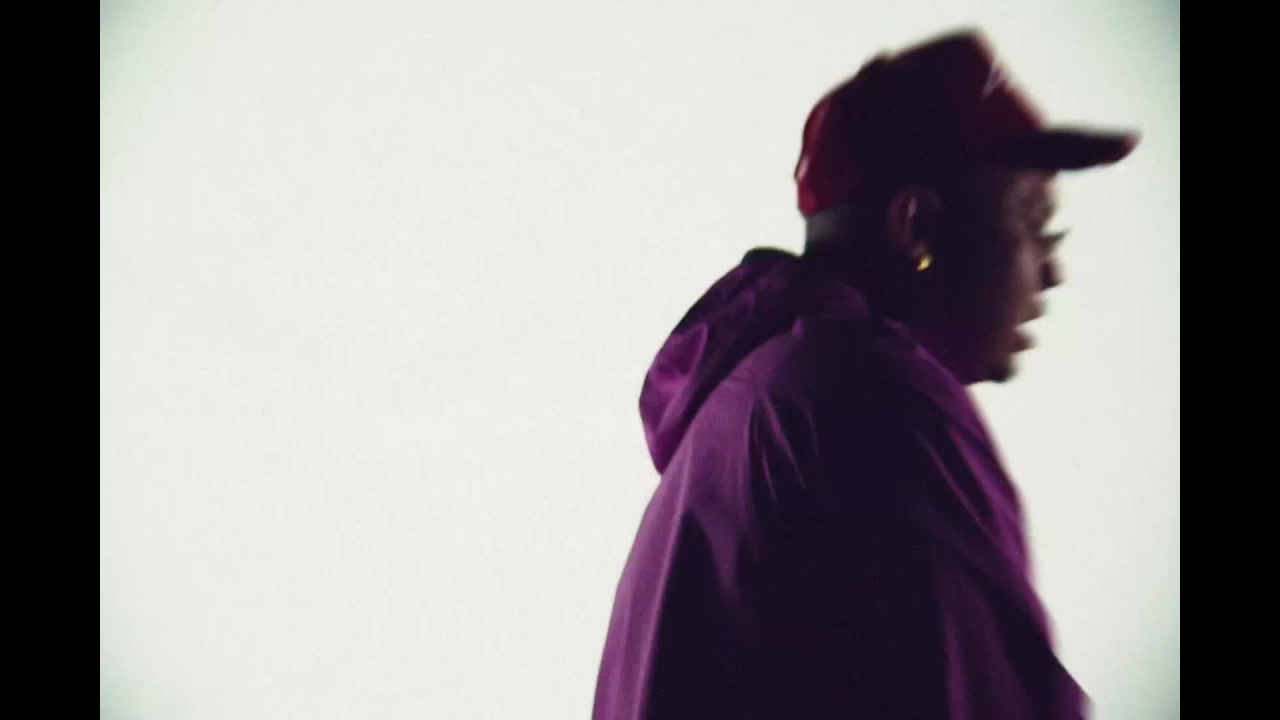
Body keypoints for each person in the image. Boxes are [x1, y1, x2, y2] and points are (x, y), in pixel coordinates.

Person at [592, 29, 1138, 719]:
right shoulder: (865, 400)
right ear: (918, 227)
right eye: (1035, 224)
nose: (1051, 269)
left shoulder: (756, 398)